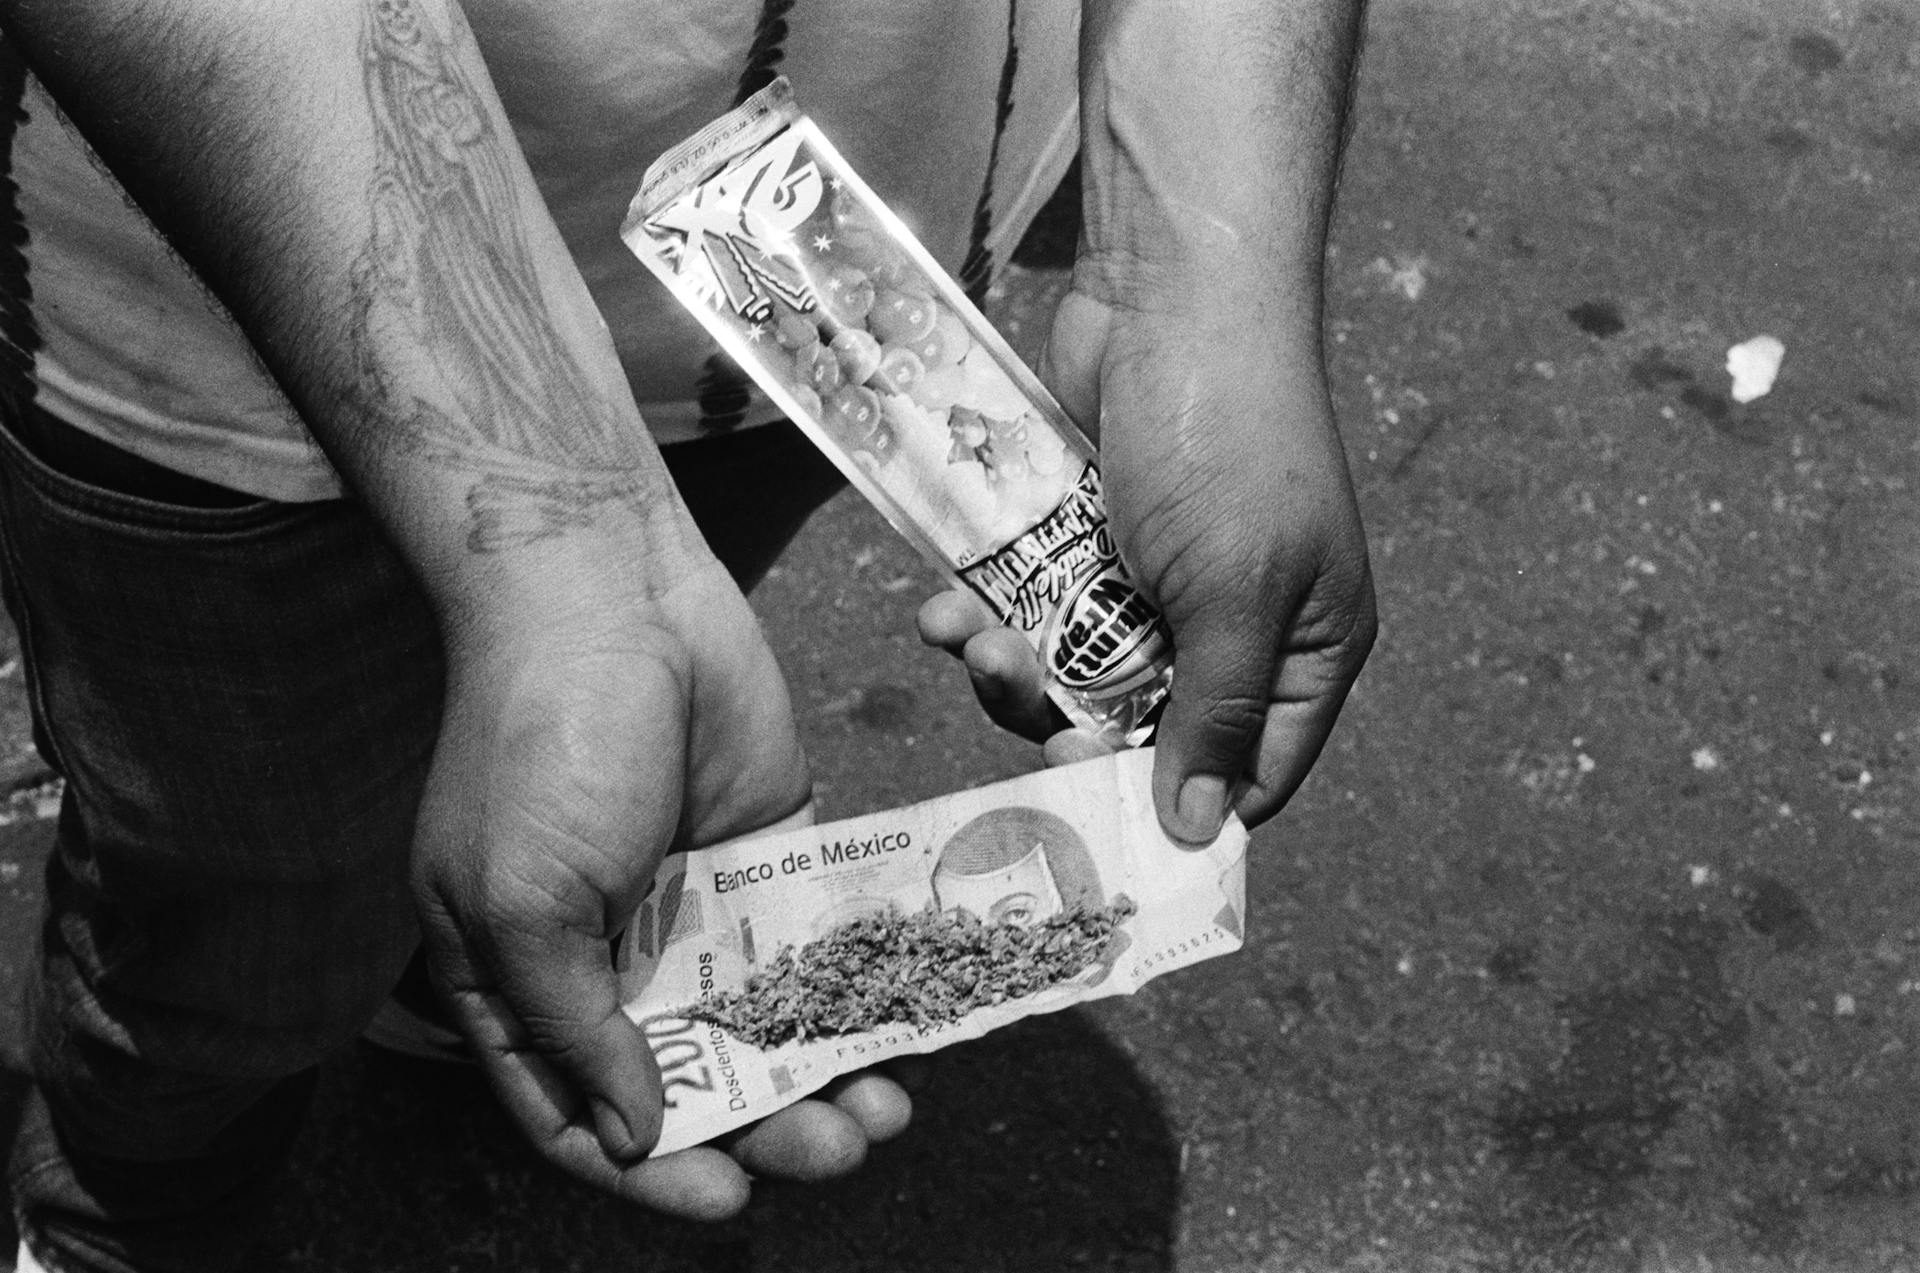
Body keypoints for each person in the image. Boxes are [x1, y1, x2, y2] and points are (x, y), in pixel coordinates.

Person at [0, 1, 1376, 1269]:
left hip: (828, 275)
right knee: (232, 928)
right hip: (226, 320)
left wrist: (1200, 265)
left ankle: (442, 973)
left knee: (561, 781)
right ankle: (119, 1218)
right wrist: (559, 537)